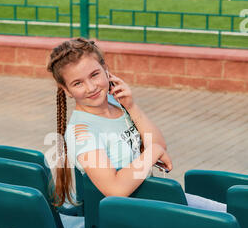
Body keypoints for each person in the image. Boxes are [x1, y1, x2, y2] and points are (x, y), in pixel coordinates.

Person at [47, 37, 226, 213]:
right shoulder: (82, 132)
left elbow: (159, 145)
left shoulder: (116, 103)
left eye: (95, 75)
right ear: (66, 90)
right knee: (233, 219)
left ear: (106, 70)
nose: (91, 87)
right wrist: (153, 151)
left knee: (235, 215)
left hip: (150, 200)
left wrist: (132, 107)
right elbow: (115, 189)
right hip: (129, 215)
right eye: (78, 83)